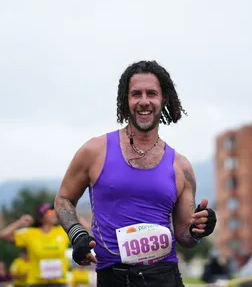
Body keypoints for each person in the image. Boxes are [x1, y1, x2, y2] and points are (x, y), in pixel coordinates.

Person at [54, 60, 217, 287]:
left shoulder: (181, 167)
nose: (144, 101)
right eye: (136, 94)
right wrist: (78, 234)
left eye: (151, 93)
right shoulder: (94, 151)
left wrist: (199, 230)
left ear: (164, 99)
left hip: (165, 278)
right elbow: (63, 199)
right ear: (126, 101)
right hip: (113, 277)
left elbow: (184, 236)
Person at [0, 203, 70, 286]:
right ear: (41, 217)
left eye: (55, 212)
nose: (54, 214)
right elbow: (4, 234)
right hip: (37, 283)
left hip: (59, 282)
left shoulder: (62, 231)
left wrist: (71, 215)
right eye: (50, 212)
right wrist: (20, 222)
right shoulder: (30, 233)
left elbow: (86, 228)